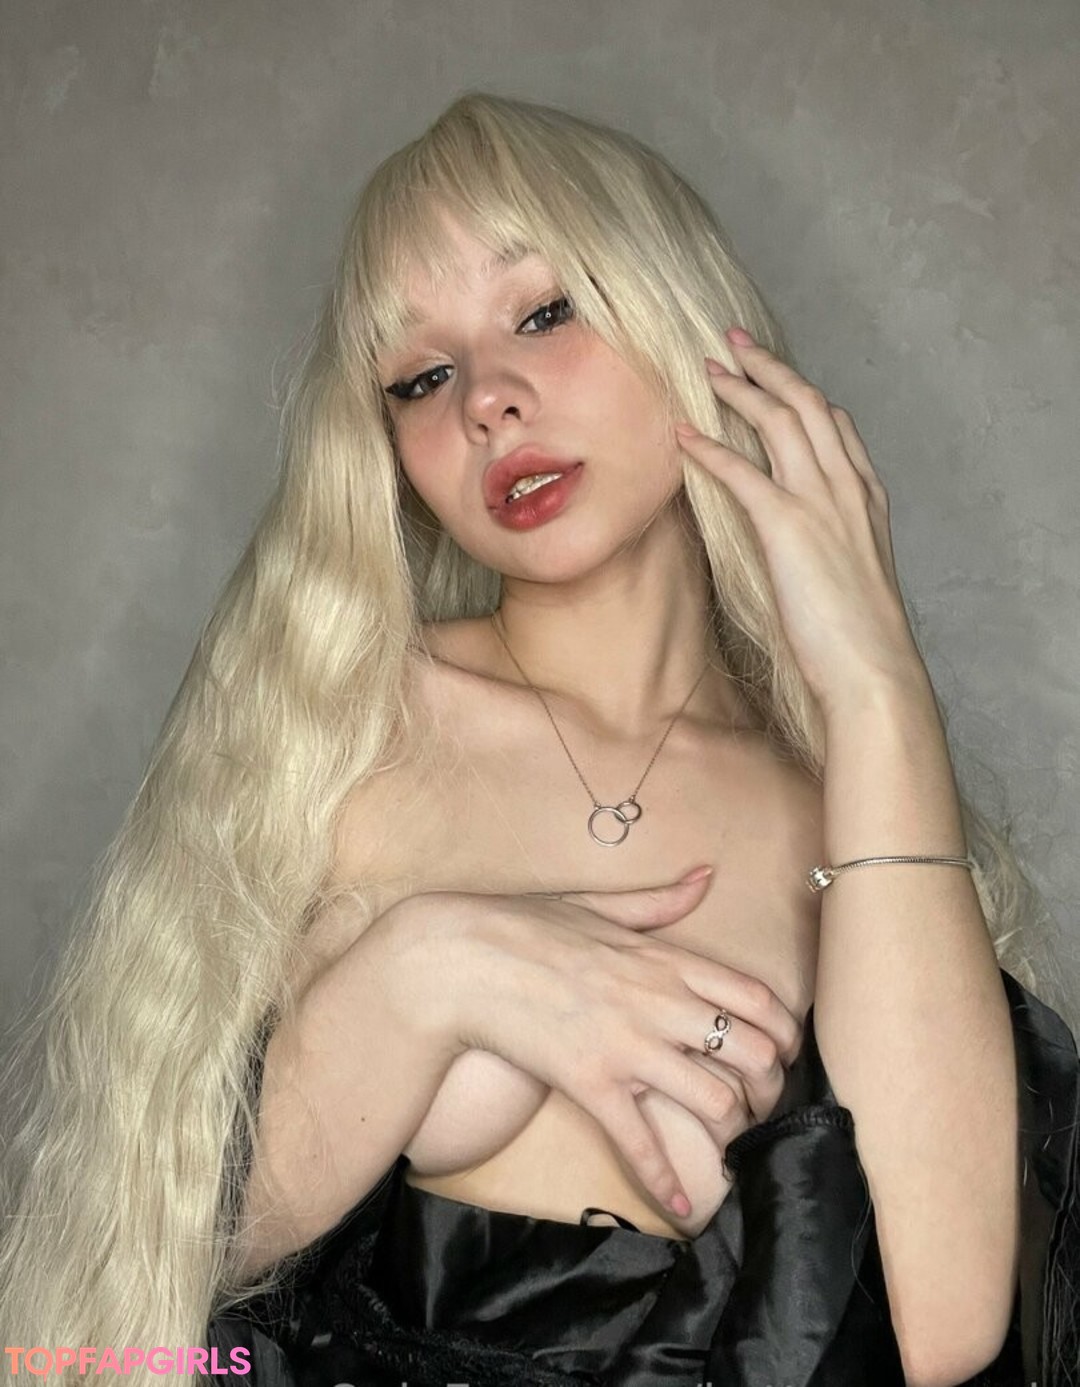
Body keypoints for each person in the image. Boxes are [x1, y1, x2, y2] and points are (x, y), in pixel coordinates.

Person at [1, 92, 1077, 1387]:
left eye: (545, 312)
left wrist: (878, 686)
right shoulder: (331, 729)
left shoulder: (848, 794)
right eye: (422, 378)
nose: (487, 404)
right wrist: (429, 969)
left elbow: (949, 1326)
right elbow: (142, 1260)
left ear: (689, 324)